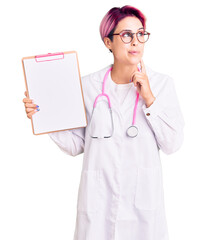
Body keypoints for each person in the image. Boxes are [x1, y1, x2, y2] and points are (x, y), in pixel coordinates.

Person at [22, 5, 185, 240]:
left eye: (141, 34)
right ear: (108, 42)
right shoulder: (86, 86)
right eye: (127, 35)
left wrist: (149, 98)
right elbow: (75, 145)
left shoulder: (161, 85)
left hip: (144, 213)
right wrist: (43, 115)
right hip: (98, 211)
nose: (136, 42)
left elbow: (173, 143)